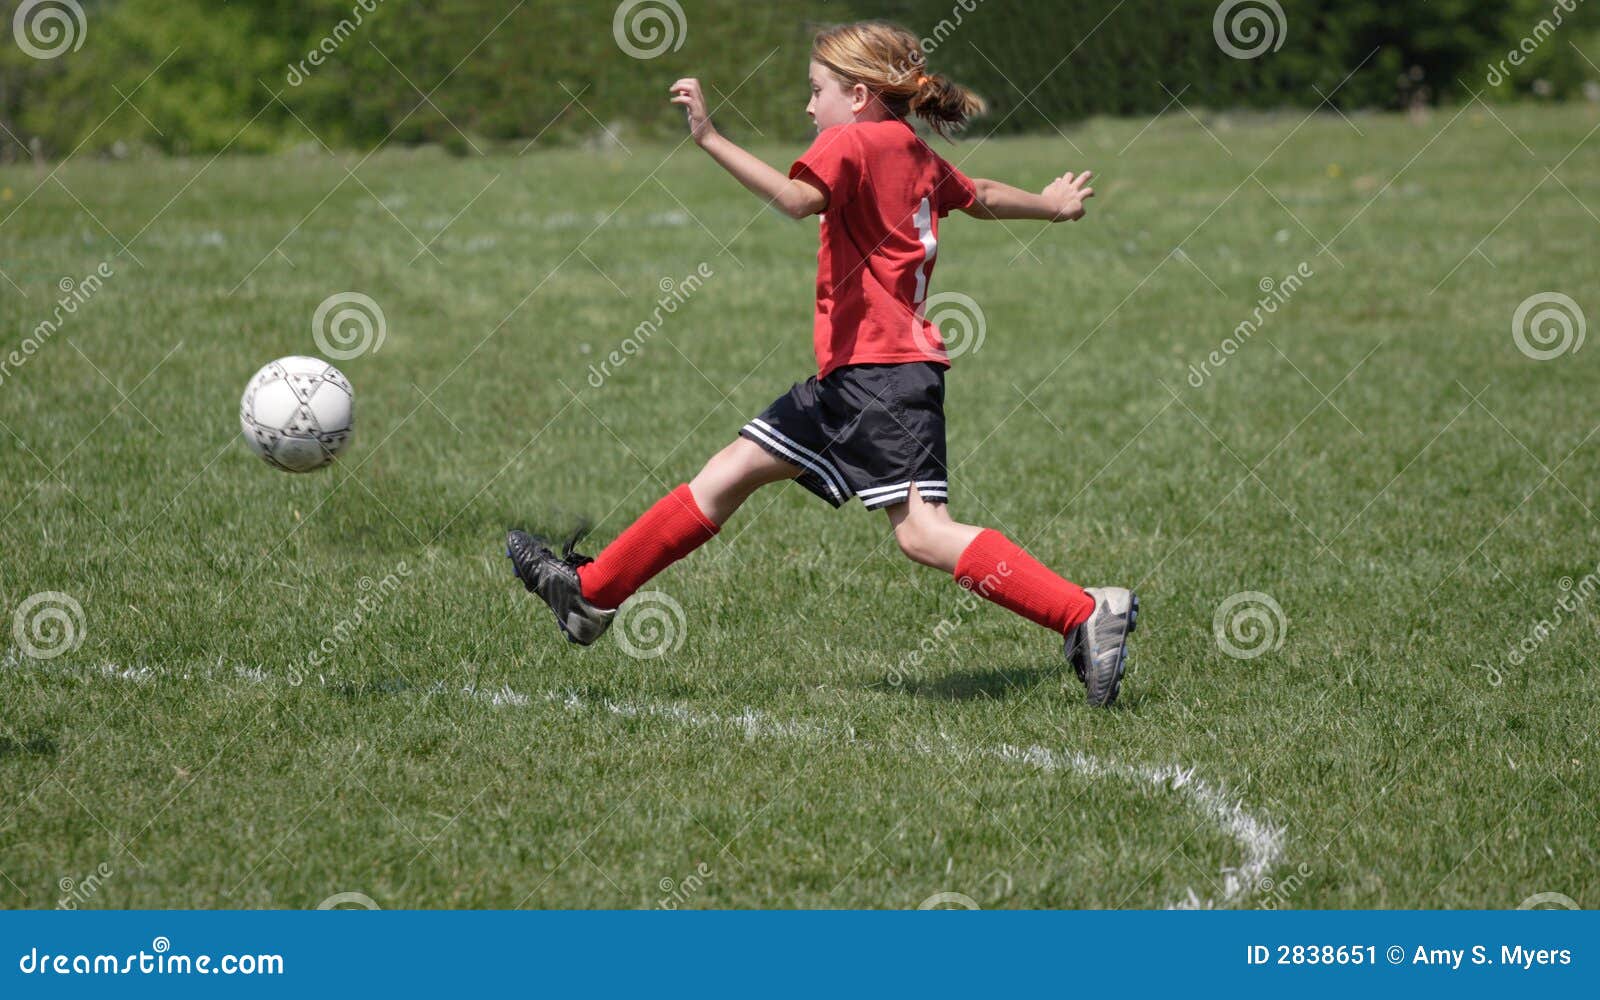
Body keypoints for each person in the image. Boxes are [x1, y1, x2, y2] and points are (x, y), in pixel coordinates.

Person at [508, 21, 1138, 706]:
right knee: (731, 471)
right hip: (856, 378)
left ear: (860, 95)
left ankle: (1083, 613)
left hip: (880, 376)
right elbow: (976, 191)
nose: (809, 108)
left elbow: (794, 199)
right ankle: (589, 596)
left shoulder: (851, 139)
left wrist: (710, 139)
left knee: (925, 534)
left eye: (817, 92)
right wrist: (1051, 205)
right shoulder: (906, 146)